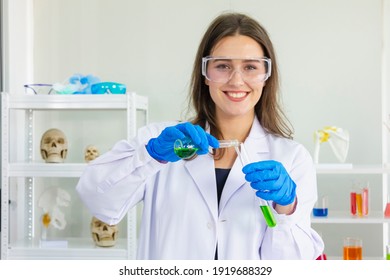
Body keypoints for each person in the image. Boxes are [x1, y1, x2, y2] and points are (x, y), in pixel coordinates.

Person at [76, 12, 324, 260]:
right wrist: (150, 156)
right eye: (223, 66)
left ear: (266, 76)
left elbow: (292, 265)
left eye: (250, 67)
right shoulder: (161, 140)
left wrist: (286, 208)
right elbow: (97, 198)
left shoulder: (292, 158)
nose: (237, 80)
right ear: (206, 74)